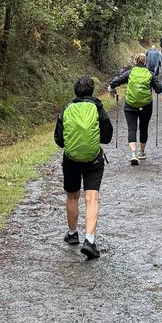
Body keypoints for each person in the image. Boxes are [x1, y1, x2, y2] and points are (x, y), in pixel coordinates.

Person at [54, 76, 113, 259]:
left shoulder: (67, 110)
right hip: (93, 160)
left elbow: (59, 140)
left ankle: (72, 234)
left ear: (75, 91)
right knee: (92, 198)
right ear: (92, 90)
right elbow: (107, 136)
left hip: (71, 159)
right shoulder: (97, 108)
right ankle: (90, 240)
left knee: (72, 196)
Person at [108, 53, 162, 164]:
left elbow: (117, 81)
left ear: (135, 61)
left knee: (131, 129)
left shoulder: (130, 73)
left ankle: (133, 154)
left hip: (130, 105)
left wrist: (110, 87)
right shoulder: (150, 74)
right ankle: (141, 152)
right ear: (145, 62)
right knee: (143, 128)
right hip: (146, 105)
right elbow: (159, 89)